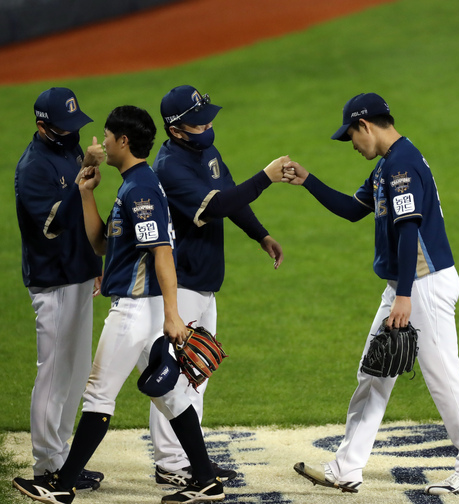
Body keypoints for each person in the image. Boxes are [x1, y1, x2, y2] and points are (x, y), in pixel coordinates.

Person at [11, 105, 287, 503]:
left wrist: (172, 316)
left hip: (137, 309)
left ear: (123, 141)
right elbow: (103, 244)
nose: (101, 142)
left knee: (98, 394)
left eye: (107, 136)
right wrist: (86, 193)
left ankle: (62, 485)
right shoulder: (133, 183)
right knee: (171, 393)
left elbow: (162, 252)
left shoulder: (140, 189)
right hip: (142, 308)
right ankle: (205, 479)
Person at [284, 93, 459, 495]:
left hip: (422, 283)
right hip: (405, 284)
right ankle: (346, 467)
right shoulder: (386, 166)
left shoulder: (401, 165)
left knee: (442, 376)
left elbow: (409, 229)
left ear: (365, 125)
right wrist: (308, 180)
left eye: (351, 137)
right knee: (374, 371)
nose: (353, 145)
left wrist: (404, 297)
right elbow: (351, 209)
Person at [150, 85, 286, 486]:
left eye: (208, 116)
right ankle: (171, 464)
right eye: (198, 121)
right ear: (176, 129)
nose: (207, 124)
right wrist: (265, 177)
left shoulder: (207, 152)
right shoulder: (169, 166)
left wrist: (261, 235)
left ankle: (190, 459)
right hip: (182, 282)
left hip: (206, 281)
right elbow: (215, 206)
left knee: (198, 372)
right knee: (174, 375)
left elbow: (231, 197)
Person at [14, 87, 106, 491]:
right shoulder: (33, 167)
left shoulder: (66, 151)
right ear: (42, 126)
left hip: (80, 275)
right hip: (53, 283)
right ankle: (44, 465)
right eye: (64, 127)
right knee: (53, 375)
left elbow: (81, 208)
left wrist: (95, 262)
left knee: (76, 374)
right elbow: (53, 224)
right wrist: (83, 178)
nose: (71, 133)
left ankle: (62, 458)